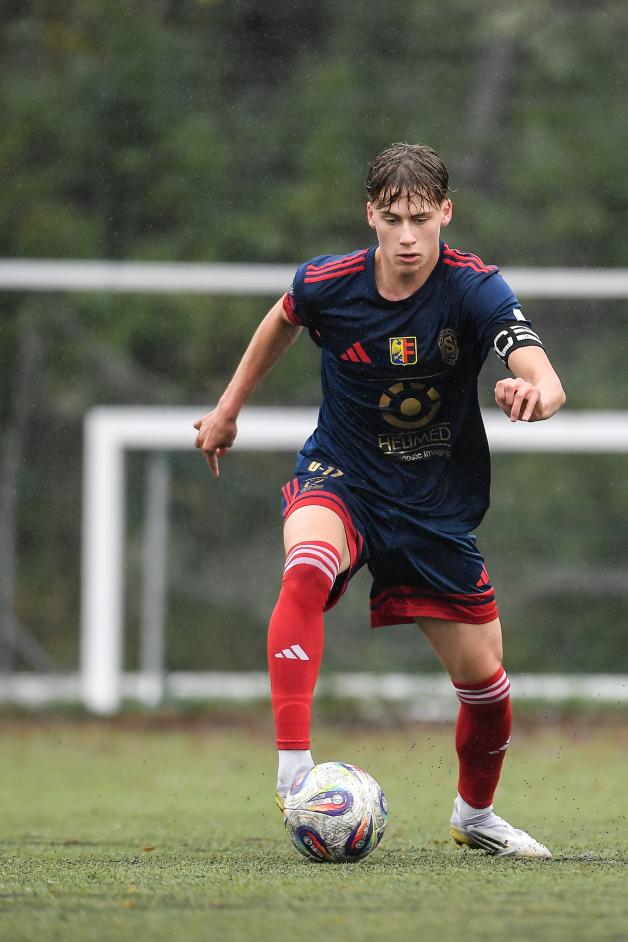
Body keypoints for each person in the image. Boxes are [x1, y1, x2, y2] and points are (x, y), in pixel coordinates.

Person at [194, 143, 565, 859]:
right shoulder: (329, 283)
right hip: (344, 475)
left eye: (420, 219)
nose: (406, 236)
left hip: (432, 504)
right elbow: (283, 317)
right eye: (392, 218)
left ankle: (475, 816)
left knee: (488, 687)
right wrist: (227, 409)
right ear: (371, 215)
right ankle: (294, 773)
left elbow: (542, 372)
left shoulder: (474, 289)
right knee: (306, 566)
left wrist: (536, 394)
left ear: (446, 213)